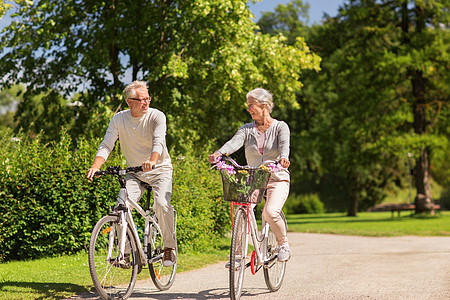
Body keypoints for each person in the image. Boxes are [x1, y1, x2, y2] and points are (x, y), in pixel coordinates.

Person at [87, 80, 176, 267]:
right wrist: (96, 165)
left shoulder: (156, 116)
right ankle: (125, 253)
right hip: (134, 172)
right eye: (141, 99)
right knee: (121, 207)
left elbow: (158, 141)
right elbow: (107, 144)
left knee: (161, 204)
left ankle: (169, 247)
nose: (146, 102)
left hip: (159, 170)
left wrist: (152, 161)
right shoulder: (119, 119)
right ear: (129, 102)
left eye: (148, 98)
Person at [208, 88, 291, 262]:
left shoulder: (280, 127)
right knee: (242, 209)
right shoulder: (246, 129)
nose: (249, 109)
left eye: (251, 105)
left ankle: (283, 243)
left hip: (277, 177)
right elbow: (233, 143)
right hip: (253, 179)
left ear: (264, 105)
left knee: (270, 212)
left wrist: (283, 158)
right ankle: (238, 254)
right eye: (248, 106)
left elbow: (284, 146)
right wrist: (219, 153)